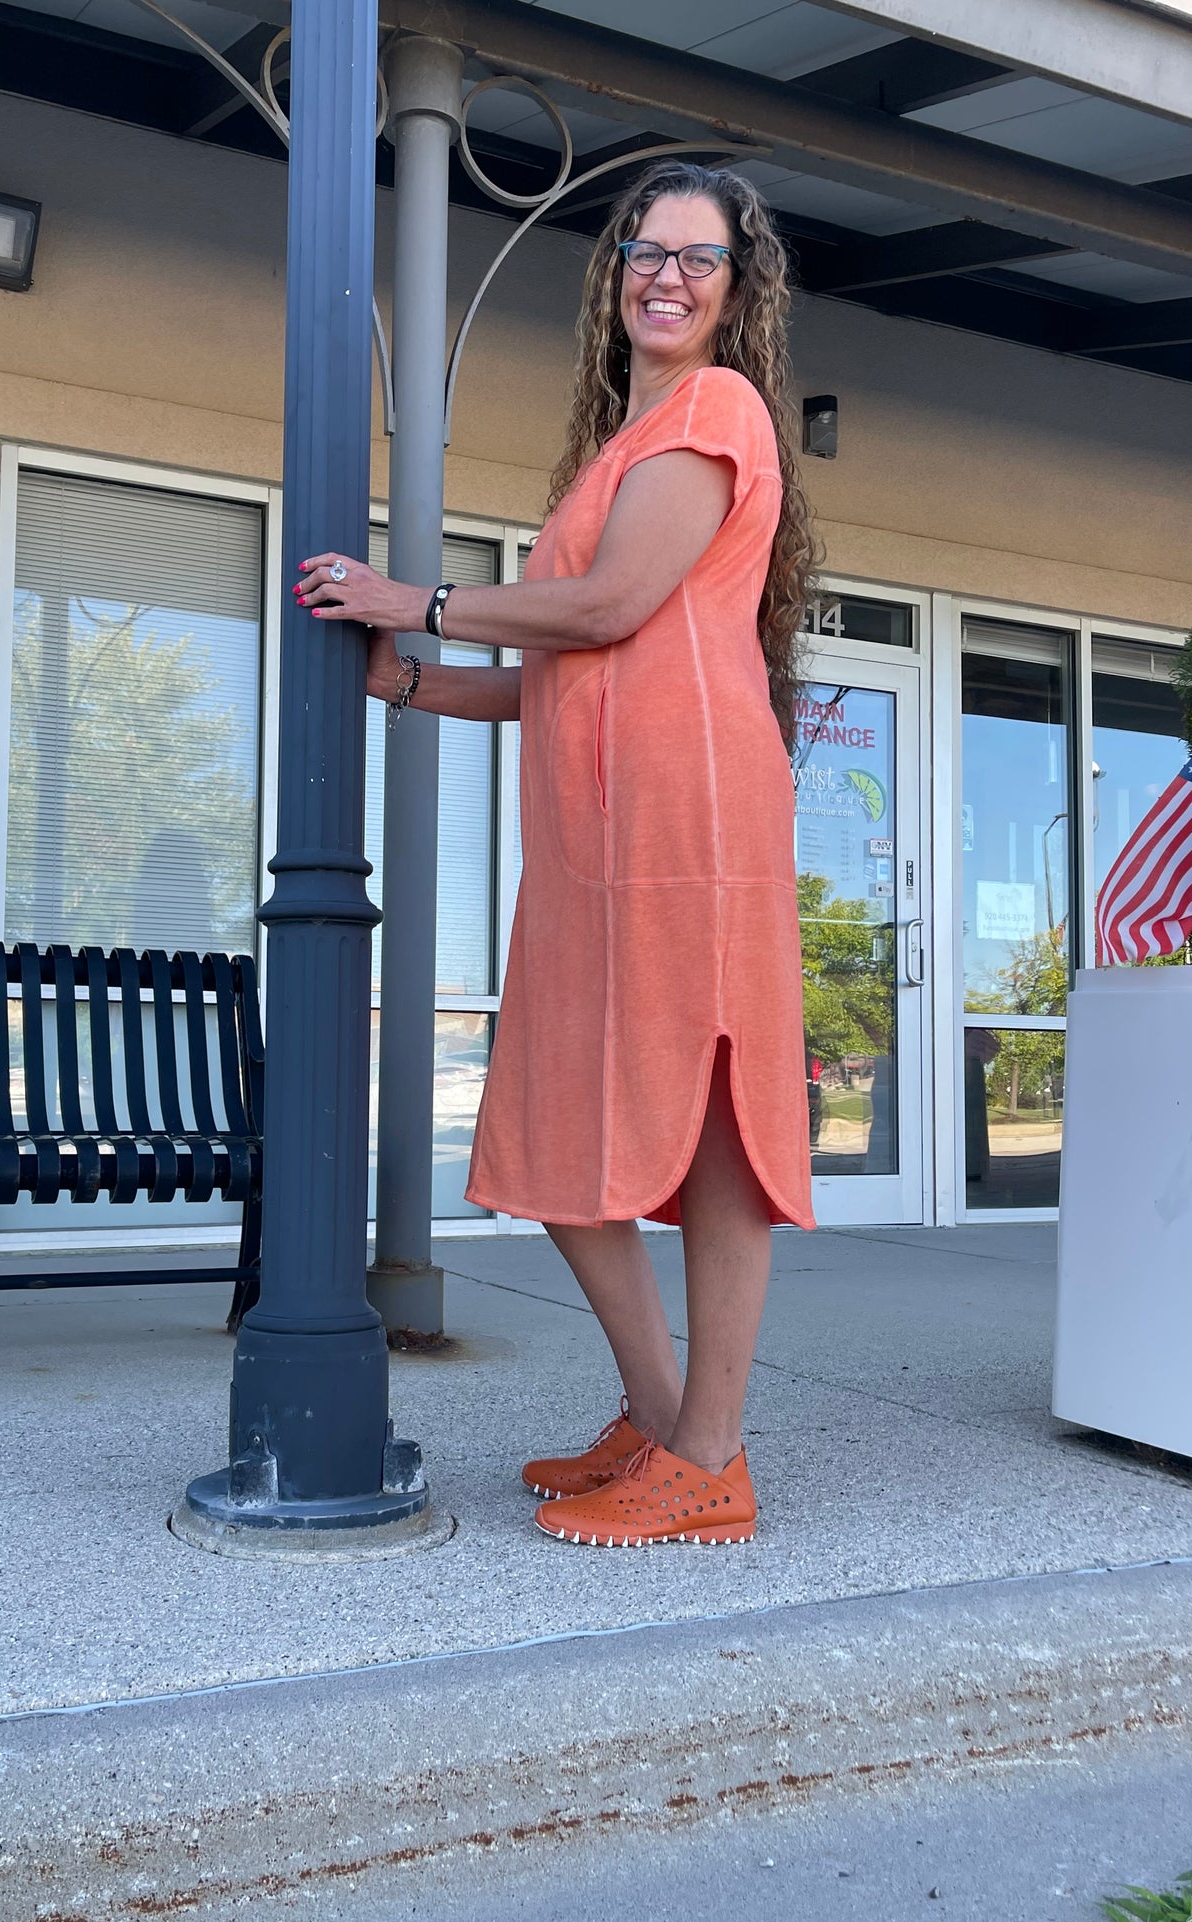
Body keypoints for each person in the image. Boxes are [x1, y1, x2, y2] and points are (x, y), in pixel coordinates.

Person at [295, 161, 818, 1550]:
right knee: (552, 1118)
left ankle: (706, 1456)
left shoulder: (716, 409)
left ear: (735, 289)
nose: (666, 274)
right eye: (644, 250)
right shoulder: (621, 443)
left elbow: (605, 604)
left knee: (708, 1122)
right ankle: (666, 1426)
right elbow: (567, 673)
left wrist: (420, 597)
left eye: (698, 258)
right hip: (594, 834)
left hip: (689, 819)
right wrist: (401, 680)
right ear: (612, 274)